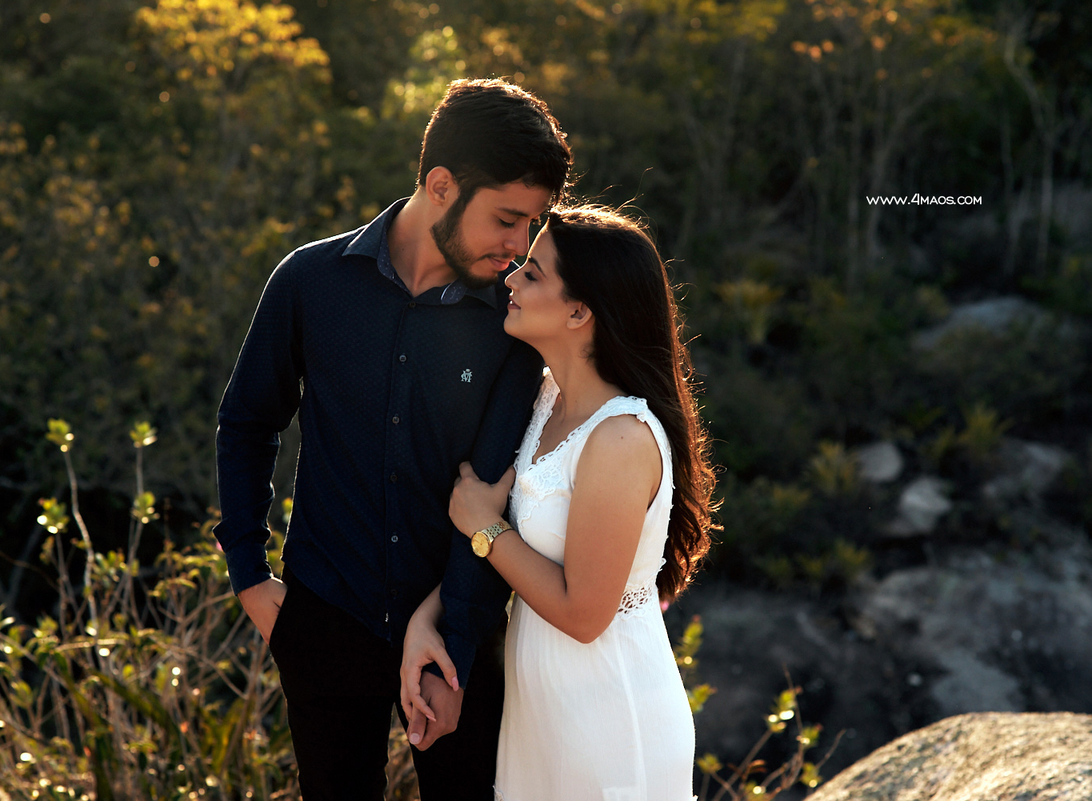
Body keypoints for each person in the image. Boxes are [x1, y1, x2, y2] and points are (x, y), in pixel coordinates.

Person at [213, 79, 572, 800]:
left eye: (531, 225)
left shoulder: (511, 327)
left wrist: (460, 645)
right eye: (506, 219)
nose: (516, 247)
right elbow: (249, 422)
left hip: (456, 631)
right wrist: (250, 575)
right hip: (322, 621)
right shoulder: (310, 280)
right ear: (441, 185)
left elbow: (491, 486)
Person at [401, 206, 719, 799]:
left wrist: (485, 529)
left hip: (611, 725)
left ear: (579, 311)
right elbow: (526, 554)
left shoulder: (620, 437)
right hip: (541, 721)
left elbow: (583, 613)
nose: (510, 280)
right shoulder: (544, 399)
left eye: (533, 273)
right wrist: (429, 615)